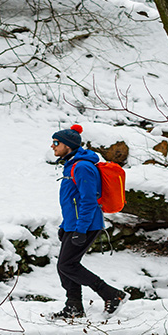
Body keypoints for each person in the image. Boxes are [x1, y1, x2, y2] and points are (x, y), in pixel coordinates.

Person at [50, 125, 127, 320]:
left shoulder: (82, 167)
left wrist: (81, 229)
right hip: (74, 224)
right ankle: (74, 306)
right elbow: (71, 201)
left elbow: (89, 200)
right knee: (65, 265)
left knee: (68, 265)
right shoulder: (71, 165)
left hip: (87, 224)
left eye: (56, 142)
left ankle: (112, 294)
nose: (52, 146)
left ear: (68, 145)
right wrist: (64, 226)